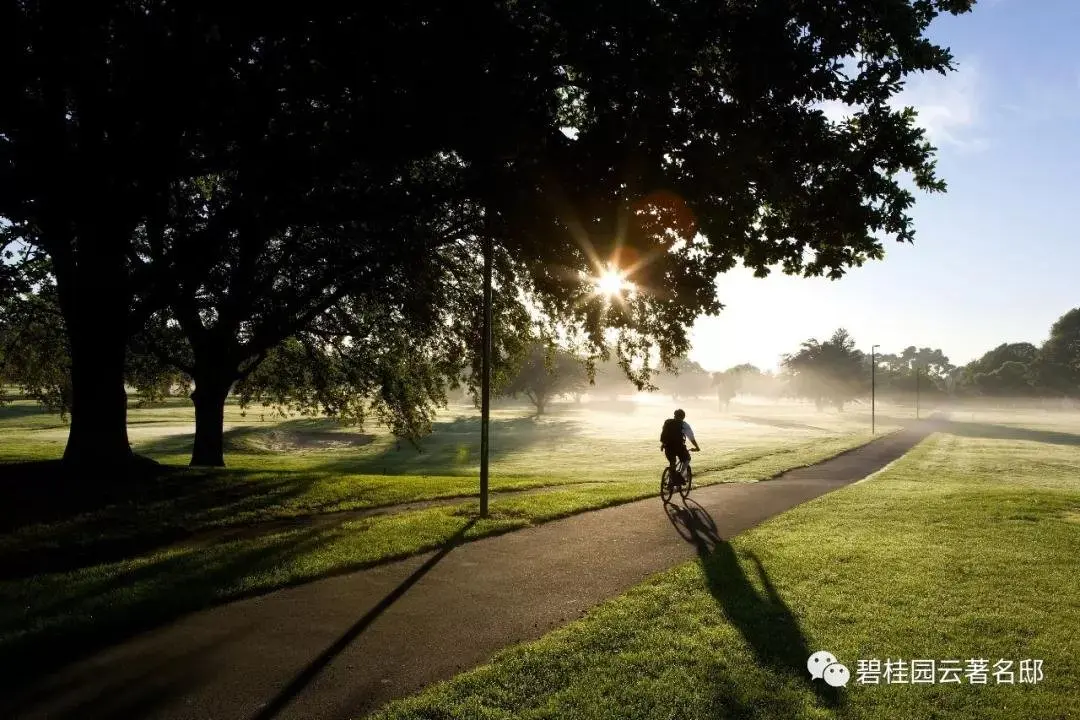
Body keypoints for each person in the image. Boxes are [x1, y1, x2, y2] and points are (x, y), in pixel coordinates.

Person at [660, 408, 700, 484]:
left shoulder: (668, 422)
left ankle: (669, 482)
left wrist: (663, 444)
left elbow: (665, 434)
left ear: (674, 415)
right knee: (687, 458)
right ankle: (680, 475)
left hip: (668, 446)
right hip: (679, 447)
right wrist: (697, 447)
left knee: (672, 463)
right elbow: (691, 438)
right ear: (683, 417)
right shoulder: (684, 424)